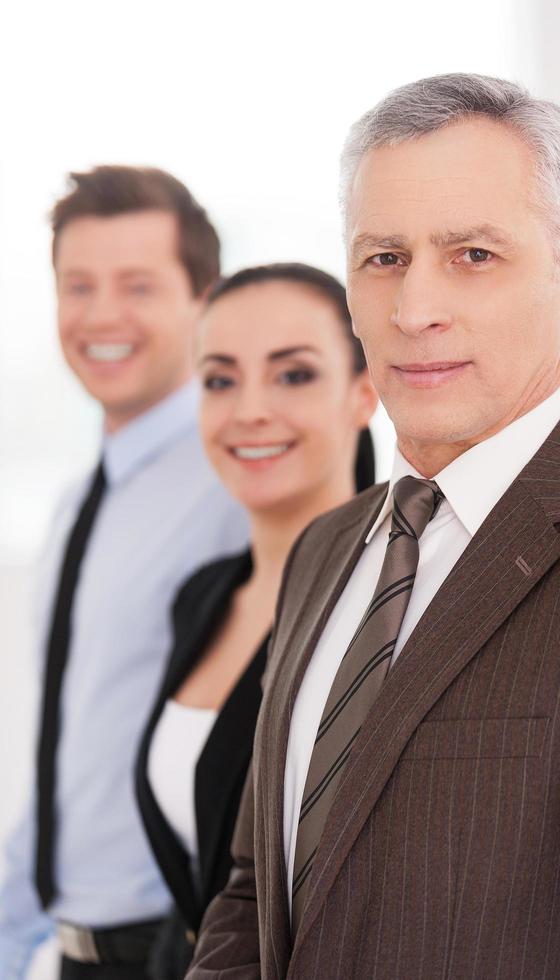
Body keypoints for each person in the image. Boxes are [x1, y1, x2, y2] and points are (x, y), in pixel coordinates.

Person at [188, 74, 560, 980]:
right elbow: (257, 889)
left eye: (474, 254)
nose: (415, 310)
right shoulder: (328, 548)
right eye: (384, 258)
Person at [0, 166, 249, 980]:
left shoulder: (241, 482)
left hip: (173, 949)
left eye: (136, 285)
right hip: (71, 949)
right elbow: (80, 743)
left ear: (202, 297)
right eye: (78, 286)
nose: (101, 315)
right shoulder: (77, 502)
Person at [134, 262, 377, 978]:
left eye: (293, 375)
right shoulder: (203, 597)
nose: (249, 410)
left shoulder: (389, 607)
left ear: (364, 394)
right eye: (219, 379)